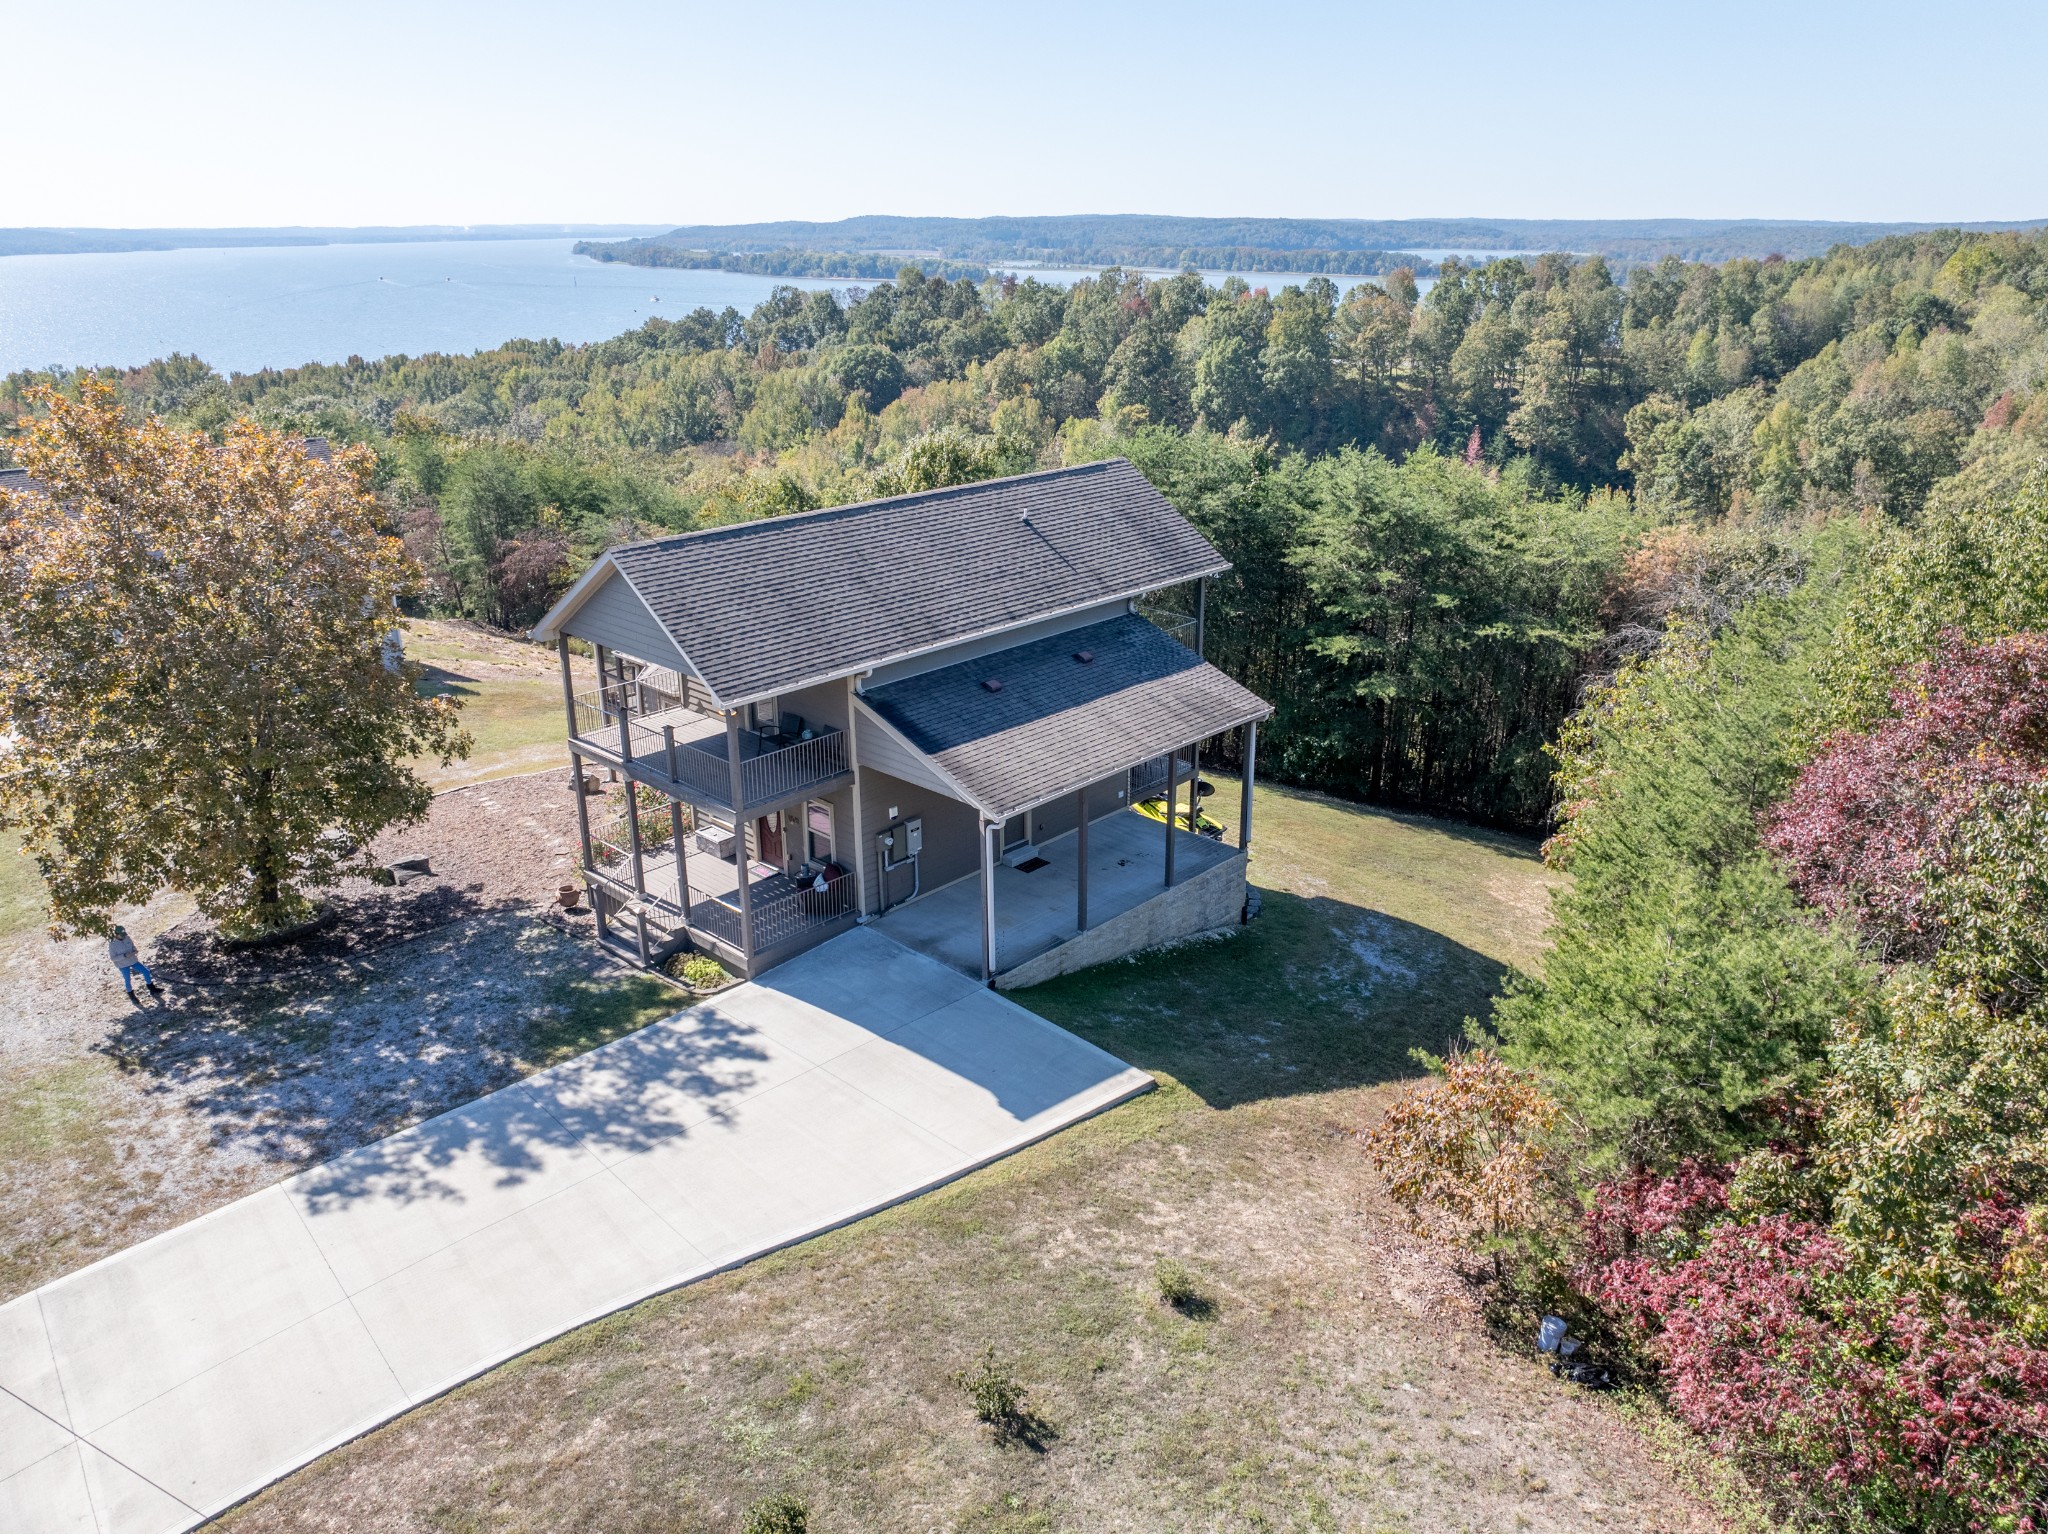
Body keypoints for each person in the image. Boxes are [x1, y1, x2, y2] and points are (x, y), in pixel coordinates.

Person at [108, 924, 163, 1001]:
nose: (124, 936)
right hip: (123, 965)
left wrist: (135, 950)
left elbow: (132, 946)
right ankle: (131, 995)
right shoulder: (112, 944)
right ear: (116, 935)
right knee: (127, 979)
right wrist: (124, 955)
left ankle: (151, 988)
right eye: (121, 935)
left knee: (146, 971)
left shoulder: (127, 938)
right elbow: (113, 958)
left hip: (133, 961)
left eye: (124, 934)